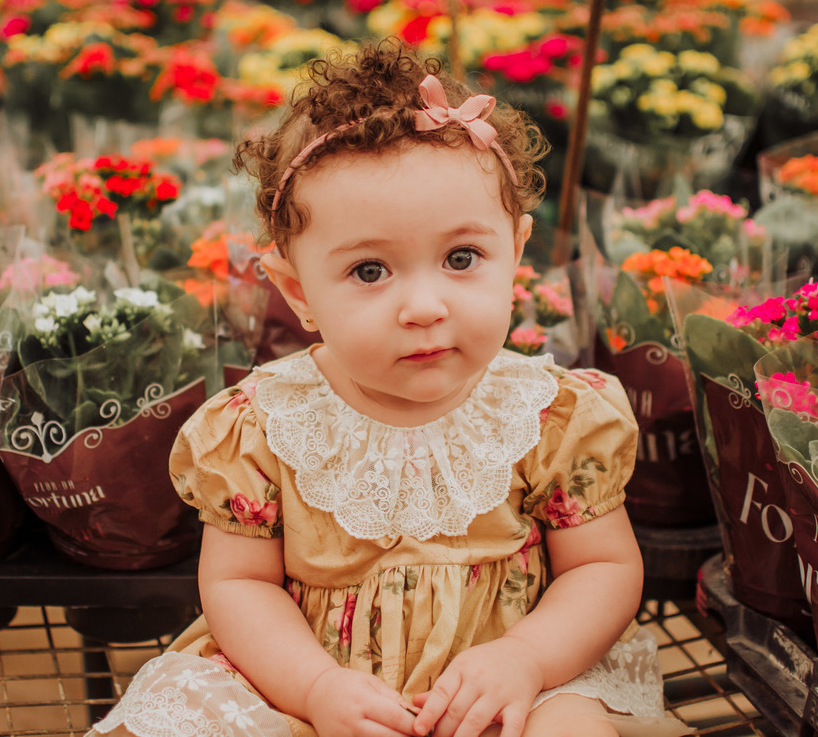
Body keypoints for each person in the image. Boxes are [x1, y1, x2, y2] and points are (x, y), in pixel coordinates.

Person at [87, 40, 690, 737]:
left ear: (516, 252)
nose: (425, 306)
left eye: (462, 258)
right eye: (370, 271)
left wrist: (525, 657)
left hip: (509, 684)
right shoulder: (264, 425)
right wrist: (313, 688)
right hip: (310, 687)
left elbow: (603, 567)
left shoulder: (549, 415)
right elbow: (239, 584)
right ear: (297, 291)